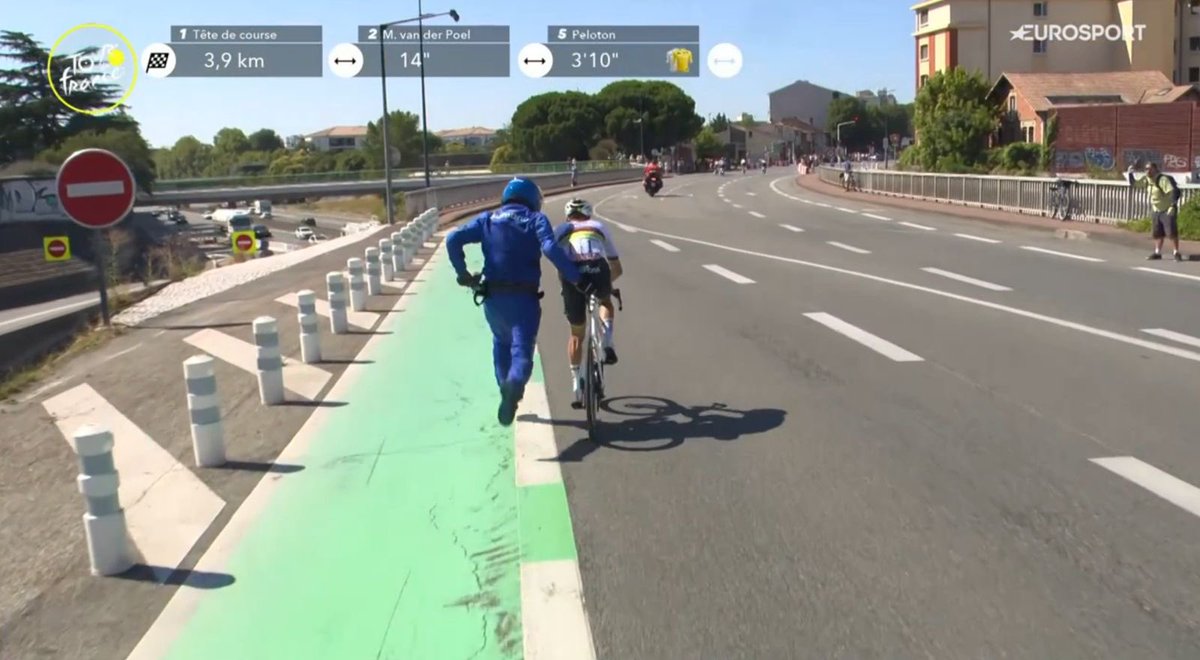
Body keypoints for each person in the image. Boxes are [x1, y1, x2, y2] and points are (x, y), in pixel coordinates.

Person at [446, 177, 597, 426]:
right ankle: (514, 385)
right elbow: (549, 248)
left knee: (500, 344)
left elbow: (453, 239)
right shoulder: (535, 219)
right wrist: (576, 277)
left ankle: (506, 390)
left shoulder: (487, 219)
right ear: (534, 199)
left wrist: (463, 274)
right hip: (523, 298)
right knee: (522, 351)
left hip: (492, 299)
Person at [554, 198, 622, 408]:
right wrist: (606, 286)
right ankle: (607, 341)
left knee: (576, 334)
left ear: (568, 215)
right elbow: (617, 268)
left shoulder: (561, 230)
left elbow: (558, 264)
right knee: (606, 302)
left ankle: (576, 384)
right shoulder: (598, 226)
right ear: (588, 214)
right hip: (597, 270)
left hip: (572, 277)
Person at [1127, 161, 1184, 261]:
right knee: (1157, 233)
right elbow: (1135, 184)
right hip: (1156, 209)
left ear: (1155, 169)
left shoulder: (1162, 179)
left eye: (1150, 168)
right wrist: (1130, 174)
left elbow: (1173, 192)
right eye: (1146, 169)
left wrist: (1172, 206)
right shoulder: (1146, 180)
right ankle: (1157, 252)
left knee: (1171, 232)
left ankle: (1176, 252)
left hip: (1167, 209)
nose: (1147, 171)